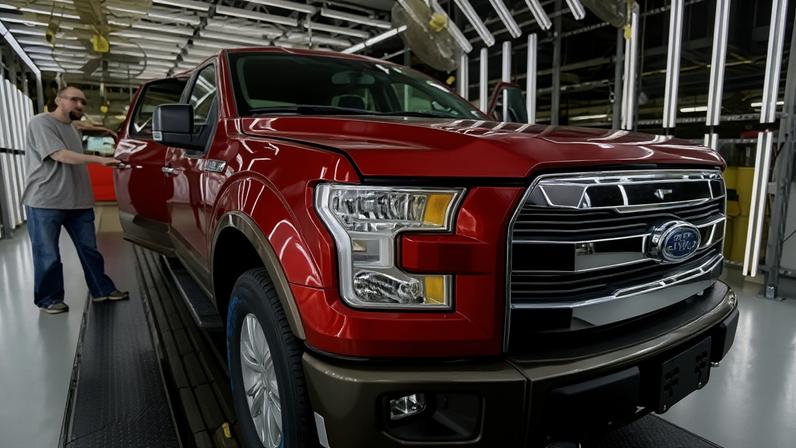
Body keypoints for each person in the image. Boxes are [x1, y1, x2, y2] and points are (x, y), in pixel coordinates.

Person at [21, 85, 128, 314]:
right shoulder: (41, 123)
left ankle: (102, 290)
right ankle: (49, 299)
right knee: (47, 254)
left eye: (82, 102)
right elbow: (59, 155)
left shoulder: (73, 129)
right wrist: (98, 159)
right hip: (45, 201)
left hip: (78, 201)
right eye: (74, 100)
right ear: (59, 100)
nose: (79, 105)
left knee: (90, 250)